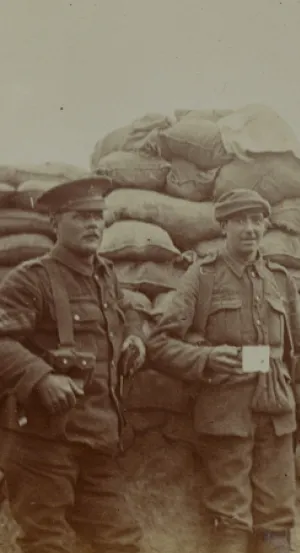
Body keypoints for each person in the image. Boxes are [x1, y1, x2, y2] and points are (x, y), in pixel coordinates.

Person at [146, 189, 300, 553]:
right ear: (224, 226)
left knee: (277, 524)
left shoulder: (280, 279)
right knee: (230, 520)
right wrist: (207, 359)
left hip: (278, 412)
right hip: (226, 412)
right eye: (240, 220)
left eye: (257, 220)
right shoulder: (202, 277)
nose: (250, 228)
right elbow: (160, 343)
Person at [0, 176, 147, 553]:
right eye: (80, 216)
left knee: (121, 541)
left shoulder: (106, 275)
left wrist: (134, 336)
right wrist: (41, 377)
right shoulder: (30, 279)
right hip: (42, 445)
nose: (93, 224)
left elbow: (128, 308)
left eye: (98, 215)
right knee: (46, 542)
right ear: (54, 223)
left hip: (97, 439)